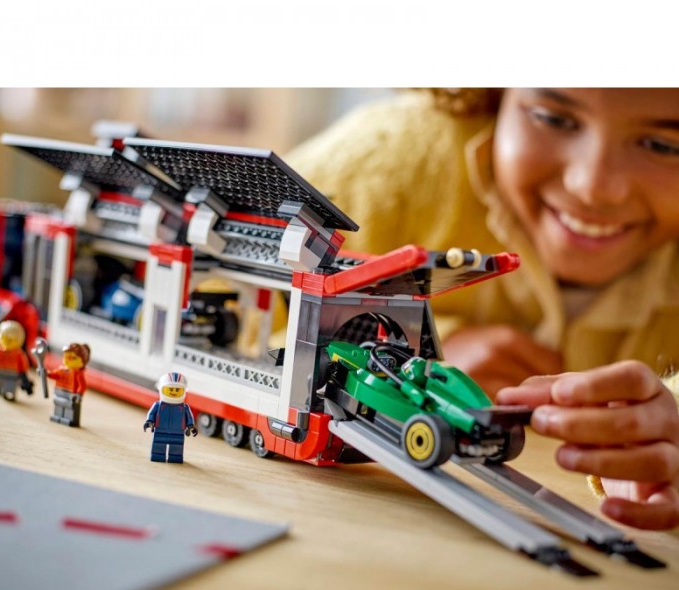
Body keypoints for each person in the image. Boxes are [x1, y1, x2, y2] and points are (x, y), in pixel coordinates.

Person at [286, 88, 679, 530]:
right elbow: (243, 289)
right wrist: (434, 345)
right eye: (554, 118)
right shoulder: (385, 156)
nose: (591, 188)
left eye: (662, 145)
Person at [143, 371, 198, 463]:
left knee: (176, 449)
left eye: (177, 390)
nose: (173, 392)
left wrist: (191, 426)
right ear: (161, 389)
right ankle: (157, 456)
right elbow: (151, 414)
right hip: (160, 430)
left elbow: (189, 418)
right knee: (158, 447)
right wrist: (149, 421)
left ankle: (175, 457)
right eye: (170, 389)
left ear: (184, 391)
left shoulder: (184, 407)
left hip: (178, 432)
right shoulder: (158, 405)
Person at [0, 320, 34, 401]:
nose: (9, 341)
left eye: (13, 339)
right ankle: (0, 388)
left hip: (13, 373)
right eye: (7, 338)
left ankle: (10, 393)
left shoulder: (18, 353)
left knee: (12, 384)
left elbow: (23, 363)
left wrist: (23, 372)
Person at [47, 342, 90, 427]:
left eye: (72, 358)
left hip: (71, 394)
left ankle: (69, 419)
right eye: (66, 356)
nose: (67, 359)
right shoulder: (61, 370)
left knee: (70, 407)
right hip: (59, 391)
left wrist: (79, 394)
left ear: (82, 361)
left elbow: (82, 385)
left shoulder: (78, 374)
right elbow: (54, 375)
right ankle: (58, 416)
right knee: (58, 403)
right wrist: (46, 373)